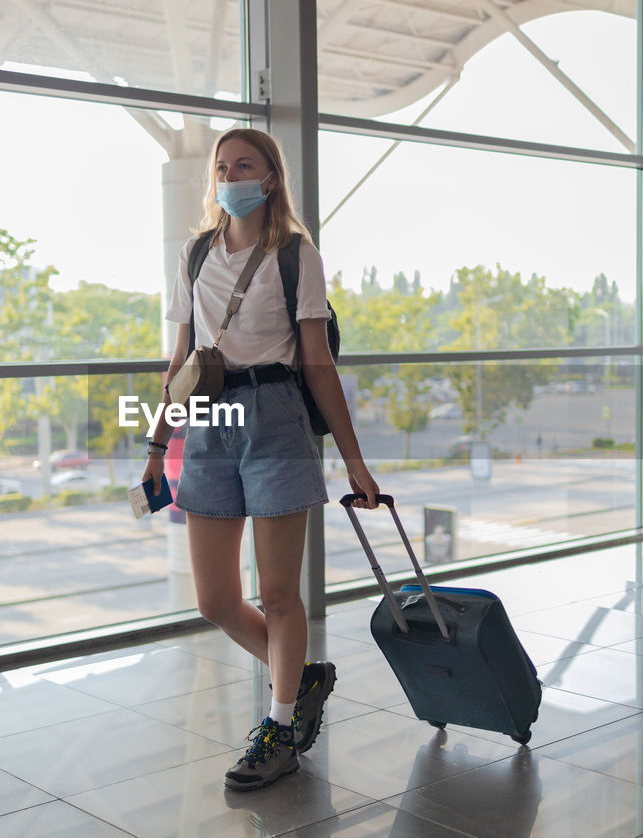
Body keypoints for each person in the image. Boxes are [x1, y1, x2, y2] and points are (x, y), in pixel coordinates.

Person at [142, 127, 379, 791]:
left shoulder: (296, 255)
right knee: (217, 598)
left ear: (271, 178)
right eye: (222, 166)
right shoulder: (193, 255)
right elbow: (179, 362)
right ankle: (300, 680)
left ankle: (279, 729)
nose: (230, 174)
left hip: (276, 418)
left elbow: (318, 361)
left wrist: (354, 460)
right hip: (212, 422)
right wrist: (159, 444)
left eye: (244, 164)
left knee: (278, 594)